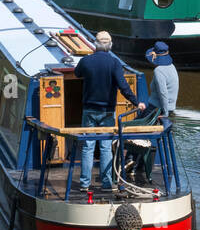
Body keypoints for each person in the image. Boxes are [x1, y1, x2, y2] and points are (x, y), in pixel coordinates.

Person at [73, 31, 145, 192]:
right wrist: (136, 102)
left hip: (89, 110)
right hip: (107, 111)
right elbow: (123, 87)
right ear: (110, 45)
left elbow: (77, 74)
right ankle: (106, 183)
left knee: (88, 147)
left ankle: (84, 184)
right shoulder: (114, 63)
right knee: (105, 147)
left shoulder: (86, 61)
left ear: (95, 44)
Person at [145, 41, 179, 118]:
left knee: (132, 123)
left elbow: (163, 93)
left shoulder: (158, 70)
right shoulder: (172, 66)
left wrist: (165, 113)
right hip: (170, 107)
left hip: (157, 108)